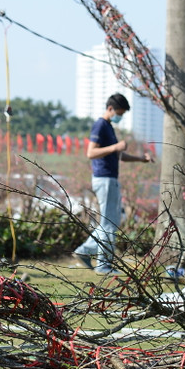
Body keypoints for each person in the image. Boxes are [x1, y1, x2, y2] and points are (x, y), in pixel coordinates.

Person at [73, 93, 153, 275]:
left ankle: (84, 251)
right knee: (109, 223)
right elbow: (91, 153)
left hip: (110, 179)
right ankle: (103, 265)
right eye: (120, 113)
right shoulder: (100, 125)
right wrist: (116, 147)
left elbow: (118, 155)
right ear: (110, 108)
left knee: (109, 222)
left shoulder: (108, 127)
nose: (120, 117)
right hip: (104, 178)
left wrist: (140, 159)